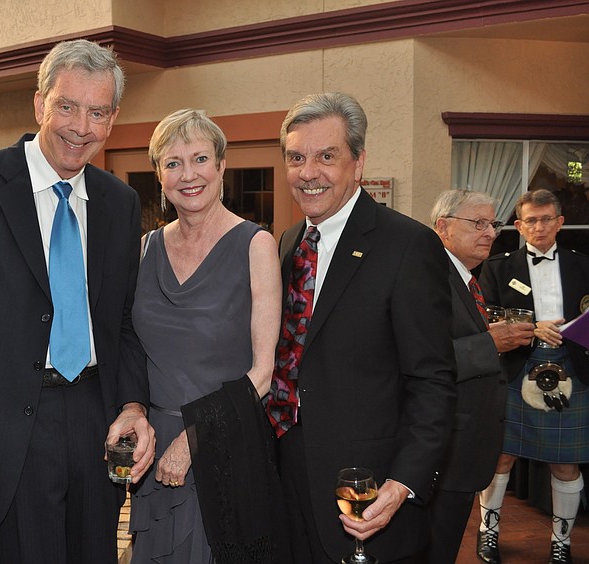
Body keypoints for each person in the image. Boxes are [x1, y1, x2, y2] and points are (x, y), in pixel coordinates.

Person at [0, 39, 154, 564]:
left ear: (113, 119)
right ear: (39, 104)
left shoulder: (120, 203)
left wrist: (133, 404)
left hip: (96, 420)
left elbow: (124, 319)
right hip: (8, 428)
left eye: (98, 112)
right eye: (67, 106)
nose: (81, 127)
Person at [265, 92, 456, 564]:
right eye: (296, 158)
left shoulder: (408, 245)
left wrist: (403, 483)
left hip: (367, 491)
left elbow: (433, 381)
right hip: (288, 477)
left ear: (359, 162)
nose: (308, 172)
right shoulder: (288, 242)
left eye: (326, 156)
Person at [129, 109, 285, 563]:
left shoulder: (256, 245)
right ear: (159, 175)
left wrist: (194, 439)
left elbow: (263, 374)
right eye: (173, 163)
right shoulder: (144, 248)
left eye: (200, 159)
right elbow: (128, 350)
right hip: (154, 448)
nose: (188, 174)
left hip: (224, 444)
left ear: (221, 166)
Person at [477, 188, 589, 564]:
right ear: (519, 225)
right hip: (516, 367)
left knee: (566, 463)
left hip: (571, 368)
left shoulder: (582, 265)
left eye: (546, 219)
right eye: (531, 220)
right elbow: (487, 316)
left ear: (559, 222)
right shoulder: (498, 266)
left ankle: (562, 542)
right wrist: (532, 327)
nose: (539, 227)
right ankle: (487, 533)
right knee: (501, 458)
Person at [425, 190, 535, 564]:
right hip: (444, 446)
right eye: (478, 223)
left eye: (493, 224)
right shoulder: (429, 278)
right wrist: (491, 342)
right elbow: (423, 361)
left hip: (462, 445)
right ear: (443, 227)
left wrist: (489, 335)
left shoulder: (467, 278)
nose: (490, 233)